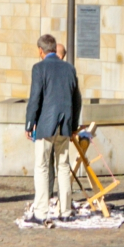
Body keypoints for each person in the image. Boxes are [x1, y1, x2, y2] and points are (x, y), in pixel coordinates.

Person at [23, 31, 82, 228]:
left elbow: (35, 99)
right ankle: (65, 211)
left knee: (41, 167)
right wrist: (73, 126)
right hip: (64, 125)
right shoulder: (69, 68)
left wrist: (29, 123)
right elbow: (77, 100)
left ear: (41, 51)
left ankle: (40, 212)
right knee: (63, 167)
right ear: (54, 48)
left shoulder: (39, 68)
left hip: (46, 125)